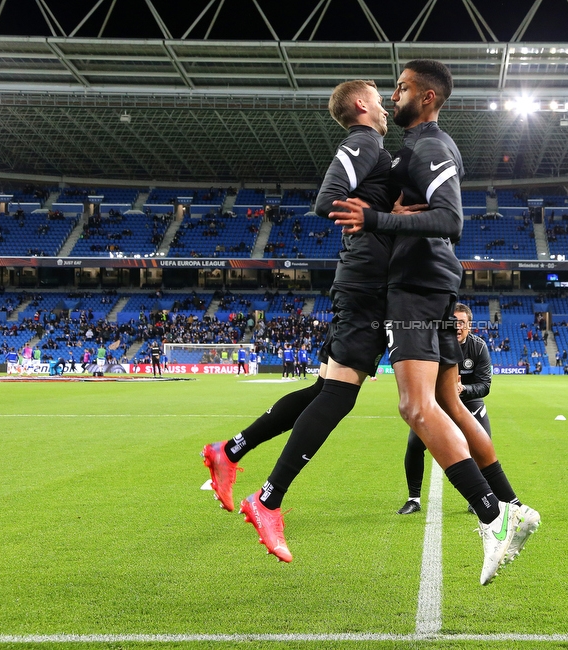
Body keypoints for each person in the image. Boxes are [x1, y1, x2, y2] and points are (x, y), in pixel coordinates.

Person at [330, 60, 538, 584]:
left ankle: (495, 516)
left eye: (399, 88)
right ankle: (514, 504)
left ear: (425, 97)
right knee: (448, 403)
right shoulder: (413, 150)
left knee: (413, 405)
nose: (393, 95)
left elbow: (451, 218)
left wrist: (376, 218)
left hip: (419, 287)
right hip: (426, 284)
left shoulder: (432, 145)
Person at [203, 78, 396, 556]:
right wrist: (375, 221)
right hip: (365, 285)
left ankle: (229, 450)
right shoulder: (364, 139)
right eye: (378, 97)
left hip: (365, 284)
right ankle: (269, 500)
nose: (386, 105)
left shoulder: (371, 145)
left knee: (323, 390)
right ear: (360, 104)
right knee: (339, 397)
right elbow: (328, 198)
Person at [397, 302, 491, 515]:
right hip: (435, 401)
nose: (457, 327)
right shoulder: (432, 346)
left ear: (469, 326)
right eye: (453, 322)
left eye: (461, 323)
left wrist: (462, 388)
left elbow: (484, 385)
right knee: (414, 444)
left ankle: (479, 499)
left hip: (467, 402)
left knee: (483, 446)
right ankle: (413, 498)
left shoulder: (478, 347)